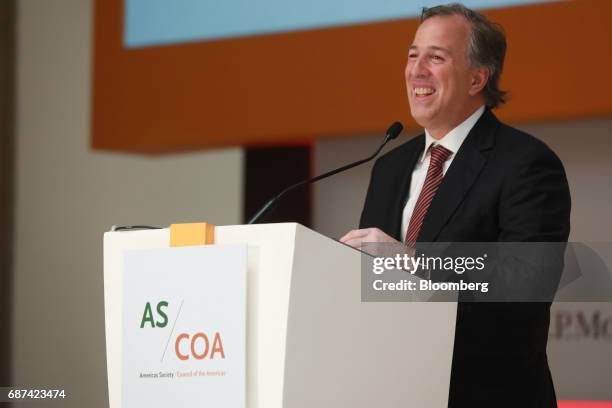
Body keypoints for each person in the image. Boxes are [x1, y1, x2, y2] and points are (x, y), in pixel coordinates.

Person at [340, 3, 571, 407]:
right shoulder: (389, 168)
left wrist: (411, 264)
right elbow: (373, 291)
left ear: (477, 78)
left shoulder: (526, 164)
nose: (416, 70)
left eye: (436, 57)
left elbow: (523, 297)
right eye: (413, 55)